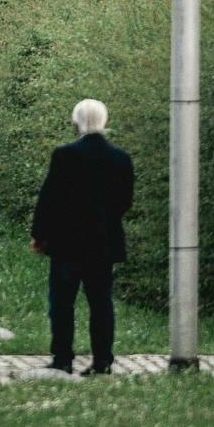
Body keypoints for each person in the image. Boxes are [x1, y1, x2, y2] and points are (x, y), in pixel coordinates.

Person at [29, 97, 135, 376]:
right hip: (103, 242)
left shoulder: (64, 155)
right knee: (101, 302)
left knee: (62, 302)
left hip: (67, 242)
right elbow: (125, 201)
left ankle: (63, 357)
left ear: (76, 122)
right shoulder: (120, 159)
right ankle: (102, 361)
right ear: (105, 121)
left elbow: (49, 199)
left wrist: (39, 234)